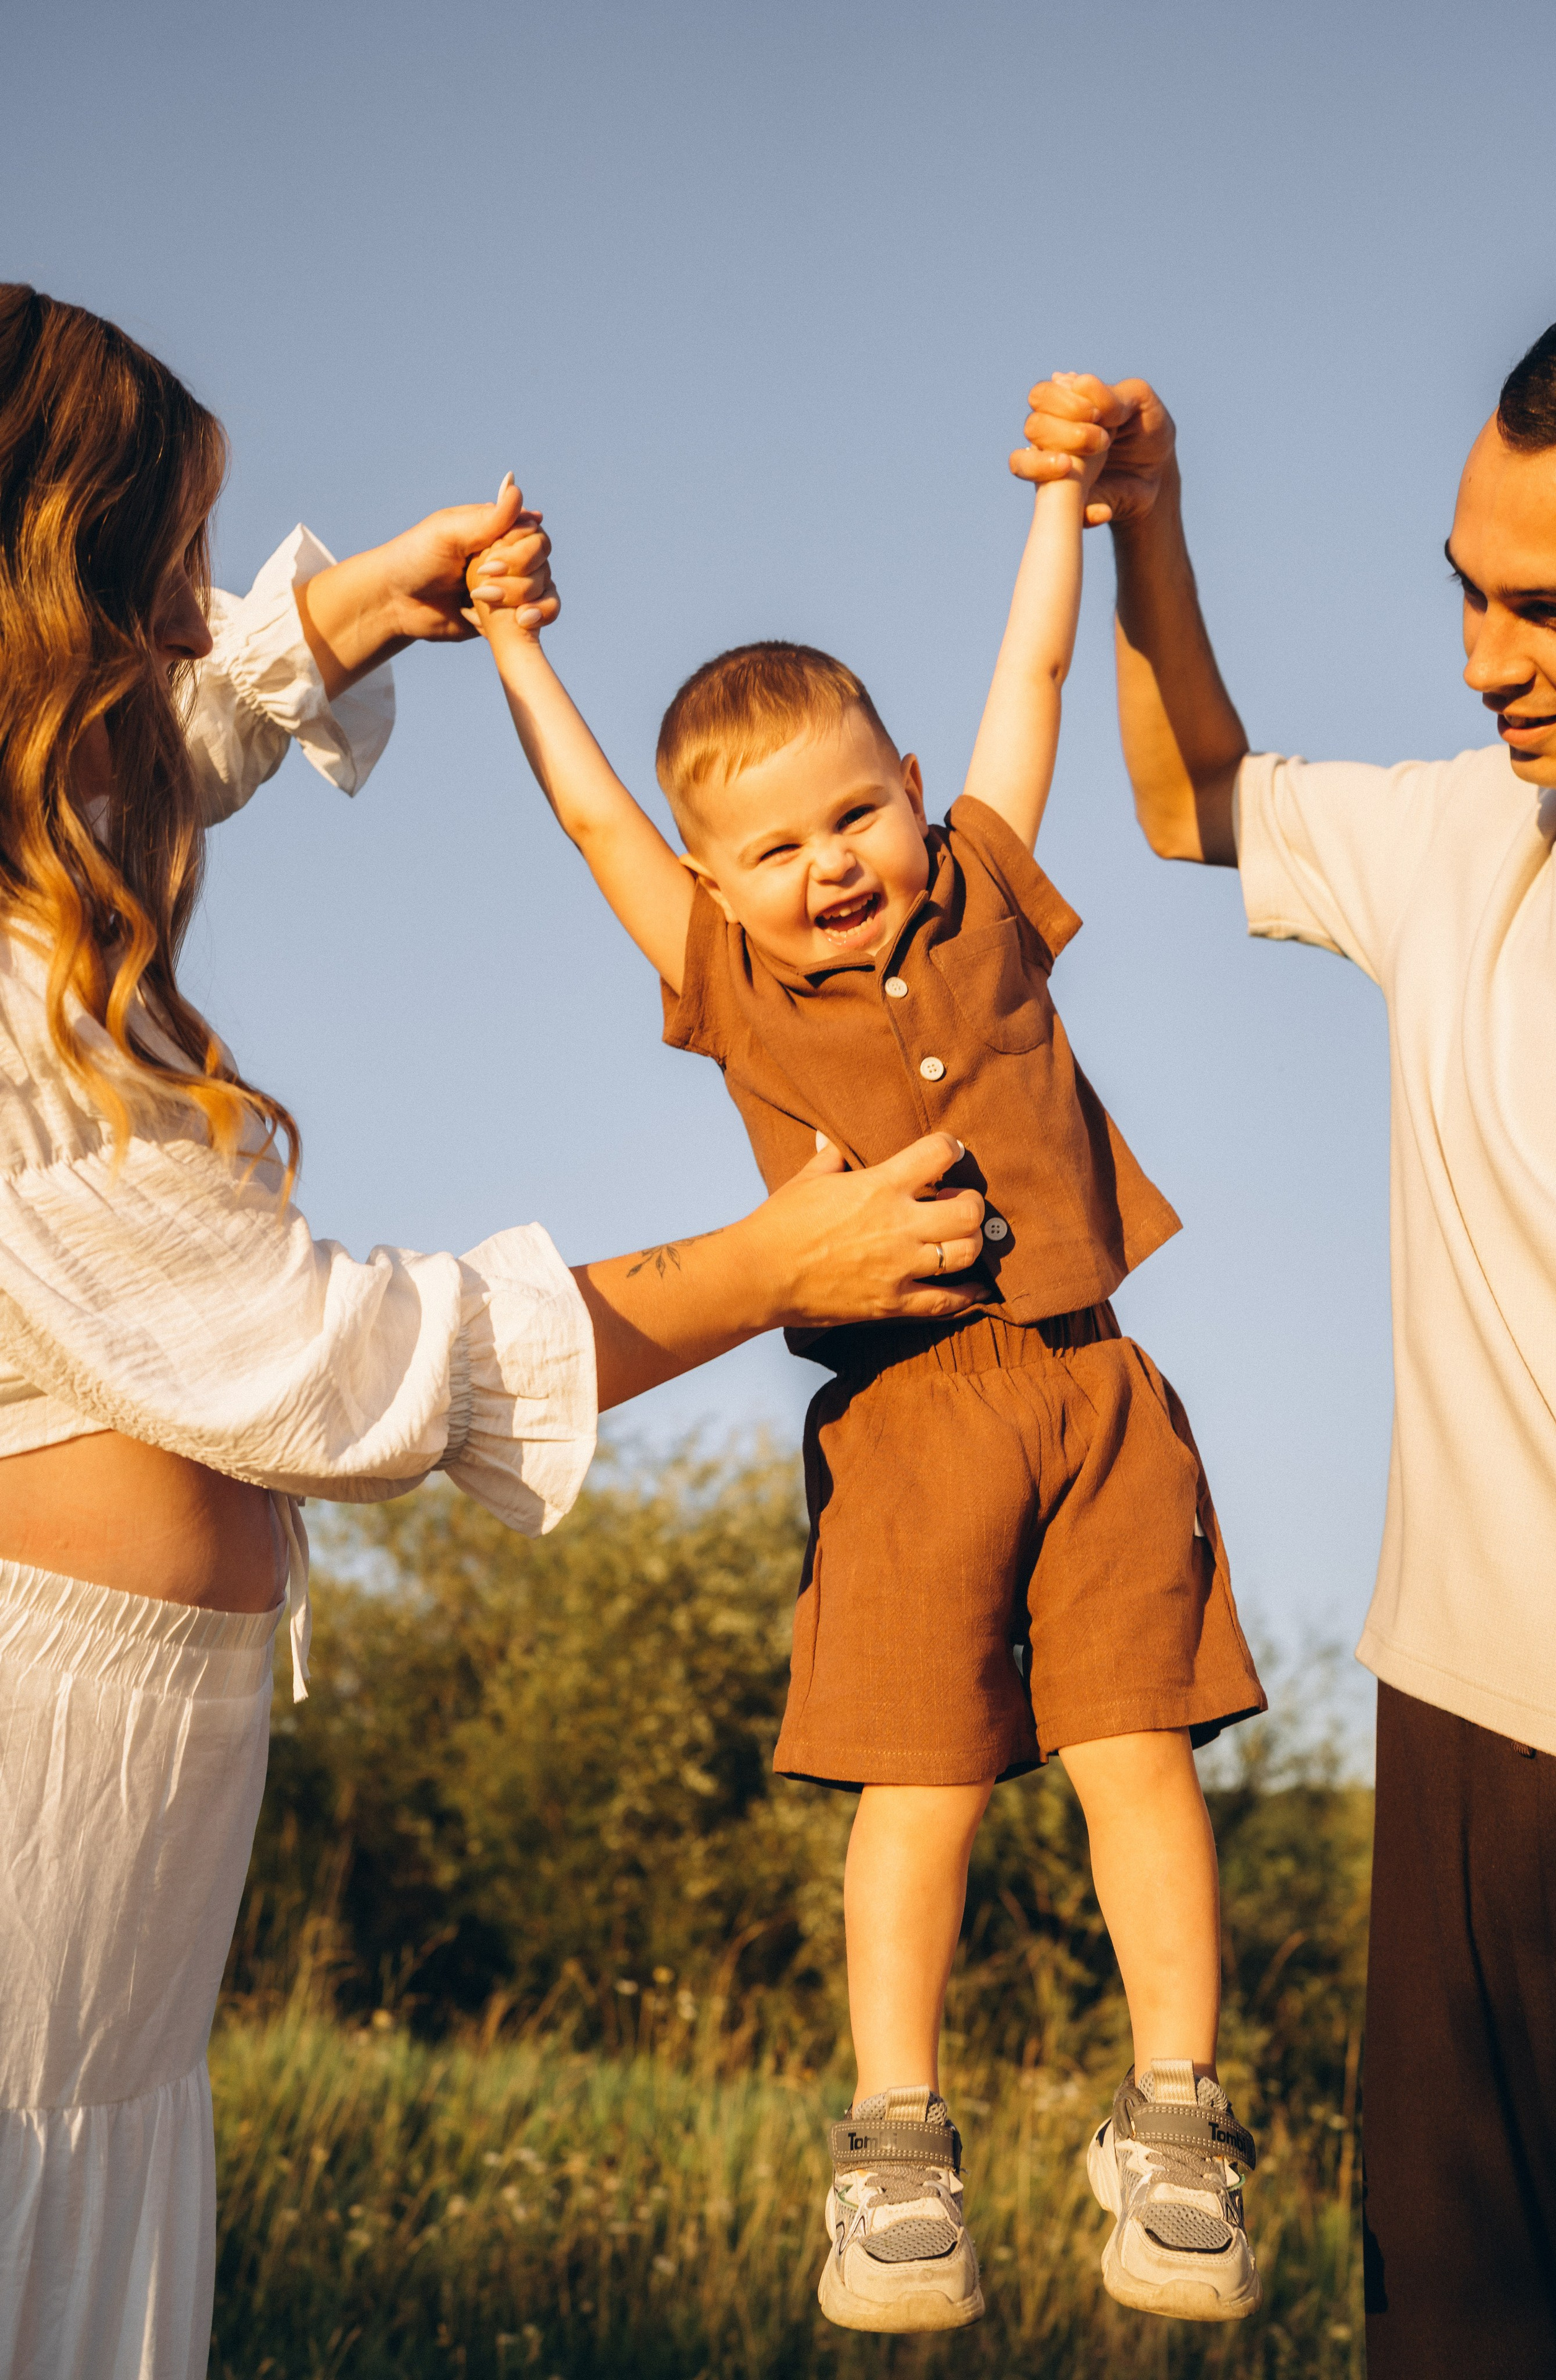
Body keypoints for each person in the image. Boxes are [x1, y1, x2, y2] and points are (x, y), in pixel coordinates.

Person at [0, 285, 987, 2380]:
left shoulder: (39, 863)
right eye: (159, 574)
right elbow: (331, 1359)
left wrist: (358, 606)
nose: (194, 628)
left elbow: (149, 757)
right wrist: (766, 1269)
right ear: (43, 590)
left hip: (113, 1851)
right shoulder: (9, 1007)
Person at [464, 374, 1266, 2335]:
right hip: (911, 1425)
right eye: (773, 848)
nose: (828, 862)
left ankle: (1175, 2124)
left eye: (856, 811)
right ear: (715, 884)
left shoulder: (989, 897)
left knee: (1135, 1754)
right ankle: (895, 2149)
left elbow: (1041, 683)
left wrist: (1064, 511)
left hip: (1095, 1391)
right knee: (925, 1787)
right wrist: (507, 642)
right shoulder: (727, 986)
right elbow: (588, 819)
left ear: (912, 788)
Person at [1019, 314, 1556, 2377]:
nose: (1484, 660)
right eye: (1470, 591)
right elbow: (1200, 801)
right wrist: (1153, 530)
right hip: (1462, 1743)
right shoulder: (1467, 842)